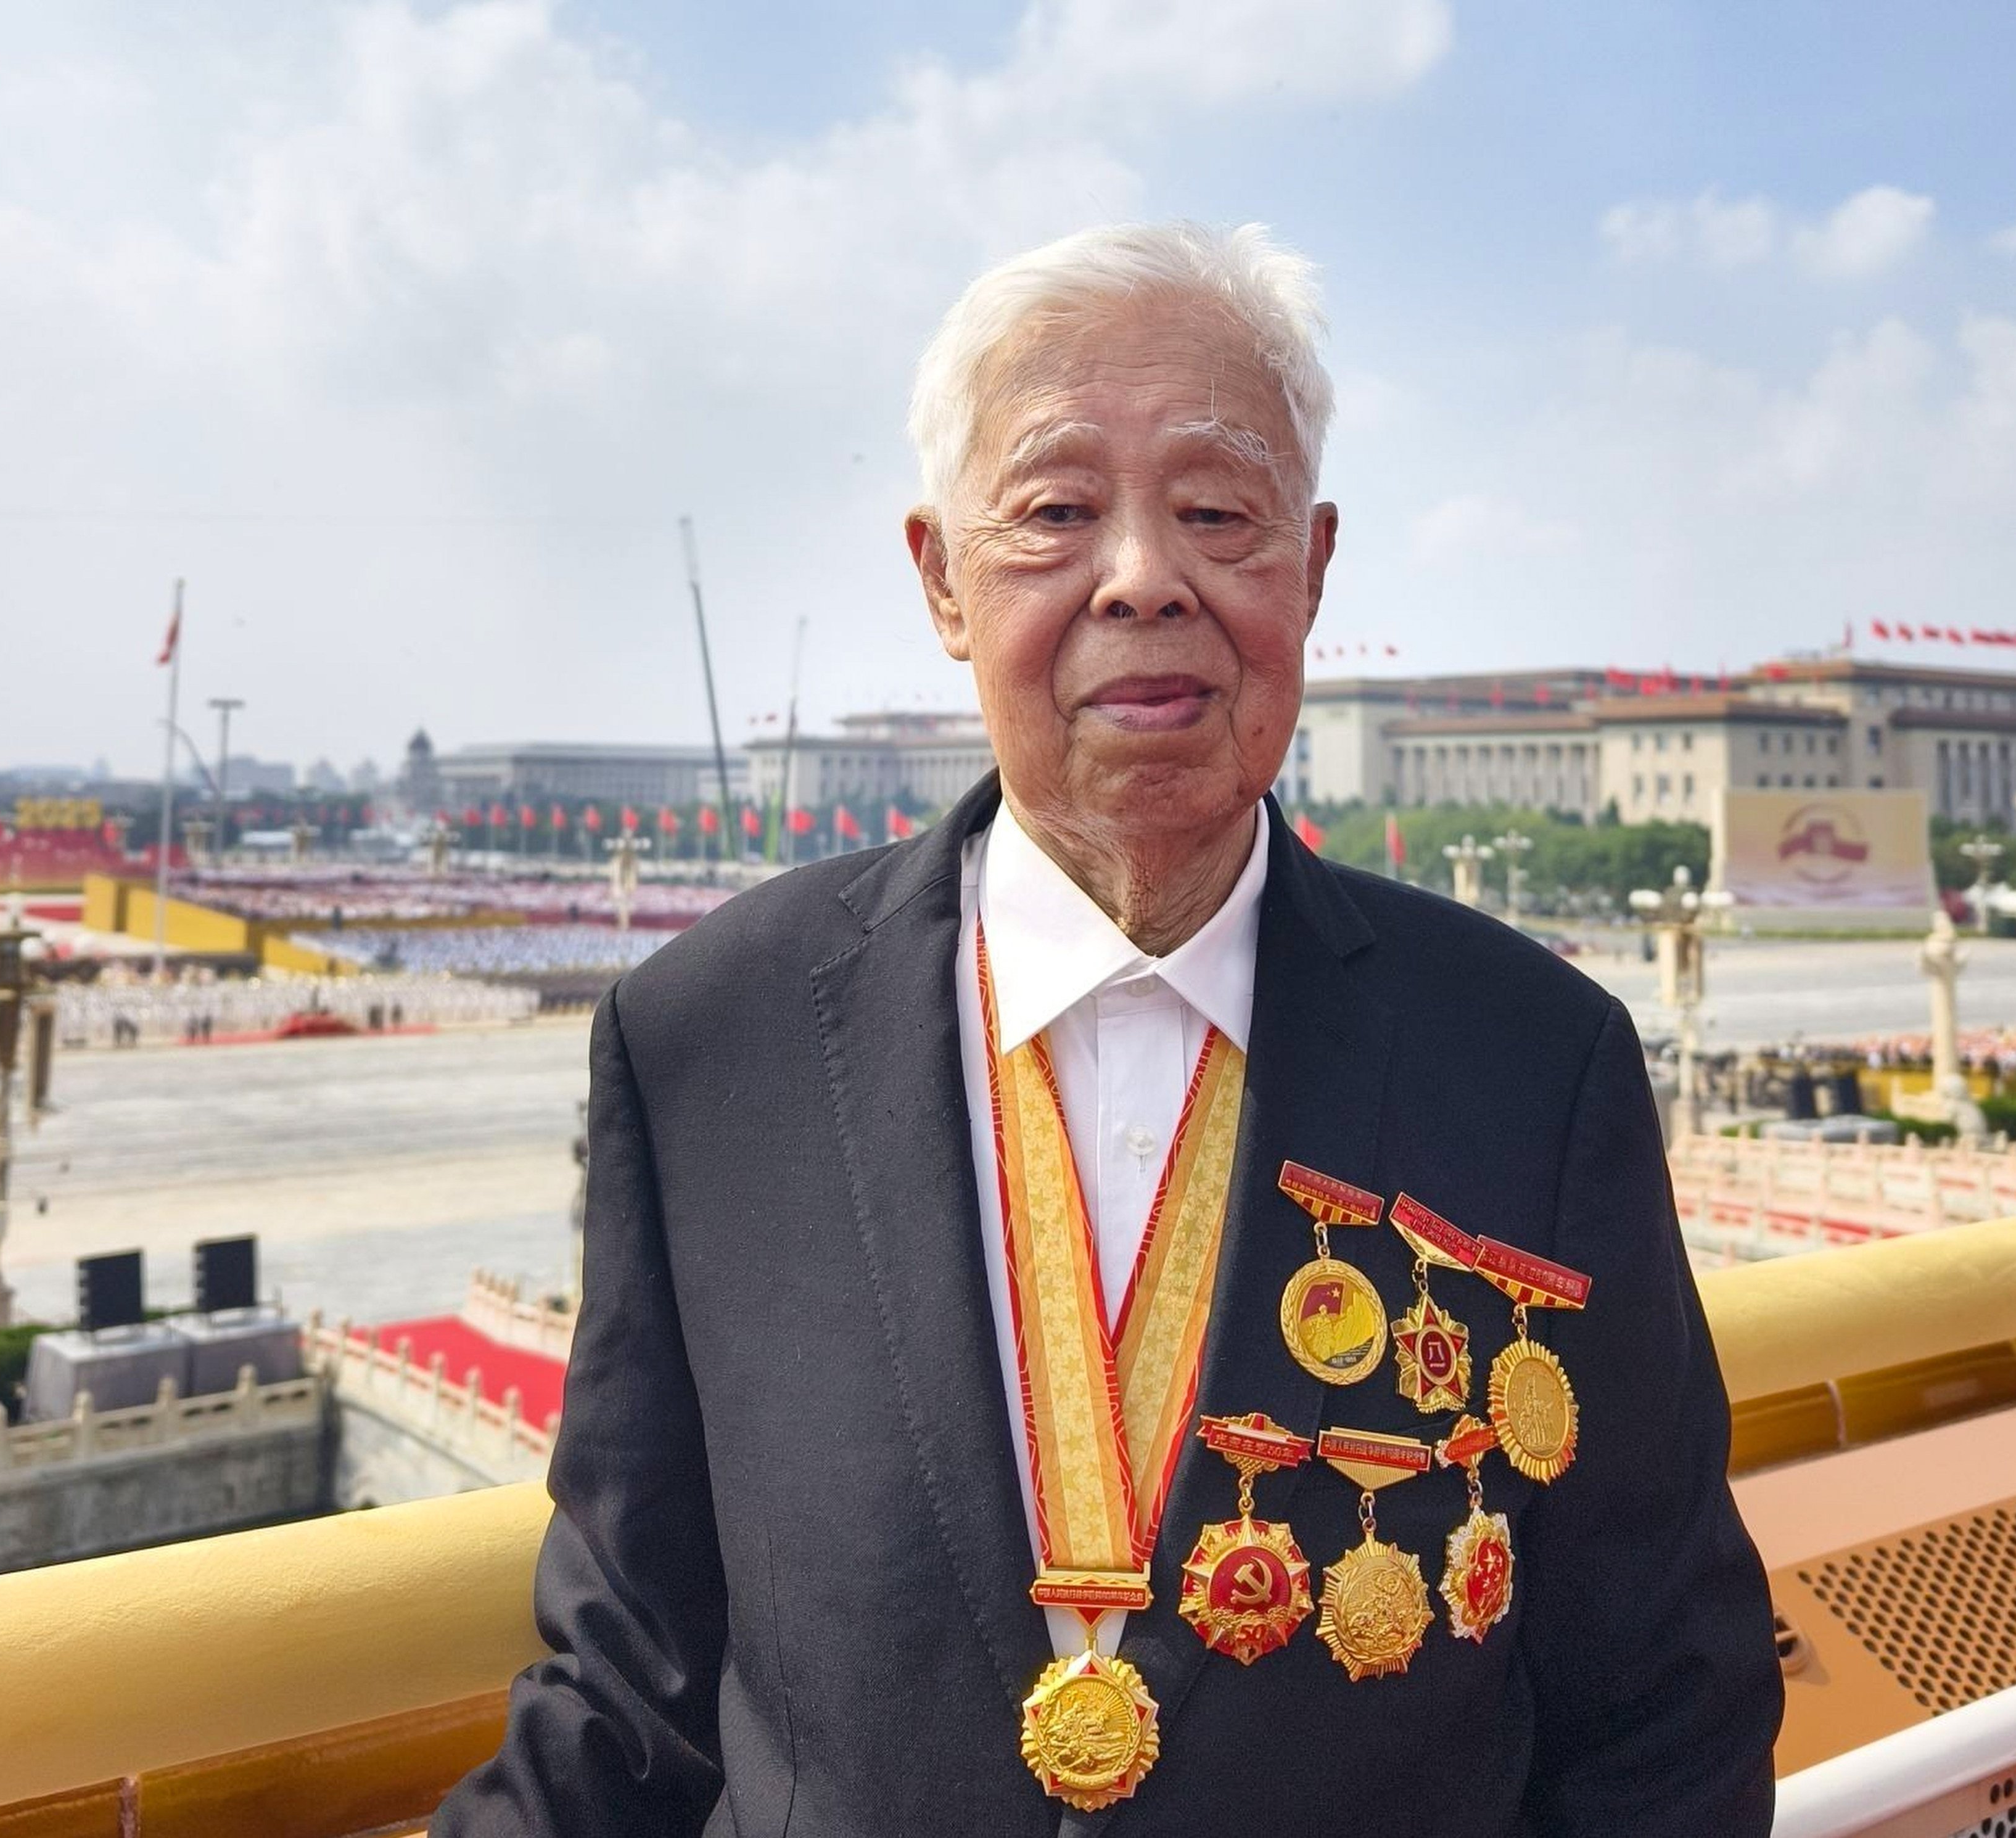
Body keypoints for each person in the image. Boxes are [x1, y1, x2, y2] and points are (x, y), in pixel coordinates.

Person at [436, 222, 1778, 1837]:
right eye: (1058, 510)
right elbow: (628, 1693)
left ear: (1310, 564)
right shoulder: (709, 1043)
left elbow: (1664, 1707)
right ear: (939, 575)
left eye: (1215, 510)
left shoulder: (1531, 1060)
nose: (1142, 574)